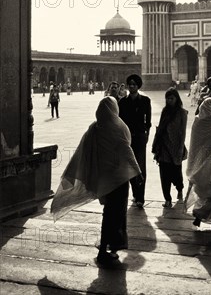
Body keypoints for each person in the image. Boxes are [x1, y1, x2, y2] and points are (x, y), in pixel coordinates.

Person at [50, 96, 142, 267]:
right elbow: (126, 150)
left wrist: (73, 175)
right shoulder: (119, 126)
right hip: (118, 178)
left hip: (103, 180)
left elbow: (82, 152)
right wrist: (137, 173)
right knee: (116, 214)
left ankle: (107, 248)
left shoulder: (94, 128)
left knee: (109, 214)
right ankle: (109, 249)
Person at [184, 97, 211, 226]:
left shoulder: (197, 120)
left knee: (202, 191)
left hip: (198, 162)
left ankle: (199, 216)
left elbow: (194, 144)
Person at [118, 74, 151, 208]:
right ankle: (135, 194)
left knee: (140, 166)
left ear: (138, 86)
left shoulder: (145, 100)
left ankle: (141, 197)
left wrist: (147, 134)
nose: (131, 86)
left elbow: (148, 120)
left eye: (134, 84)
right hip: (127, 138)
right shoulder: (123, 102)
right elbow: (119, 121)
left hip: (139, 136)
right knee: (129, 166)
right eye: (130, 84)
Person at [152, 87, 188, 208]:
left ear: (177, 99)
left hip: (176, 147)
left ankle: (180, 189)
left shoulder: (182, 113)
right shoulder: (165, 111)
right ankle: (167, 198)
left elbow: (183, 132)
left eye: (171, 98)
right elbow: (161, 128)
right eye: (167, 98)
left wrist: (180, 148)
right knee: (164, 175)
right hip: (164, 148)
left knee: (176, 174)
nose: (169, 101)